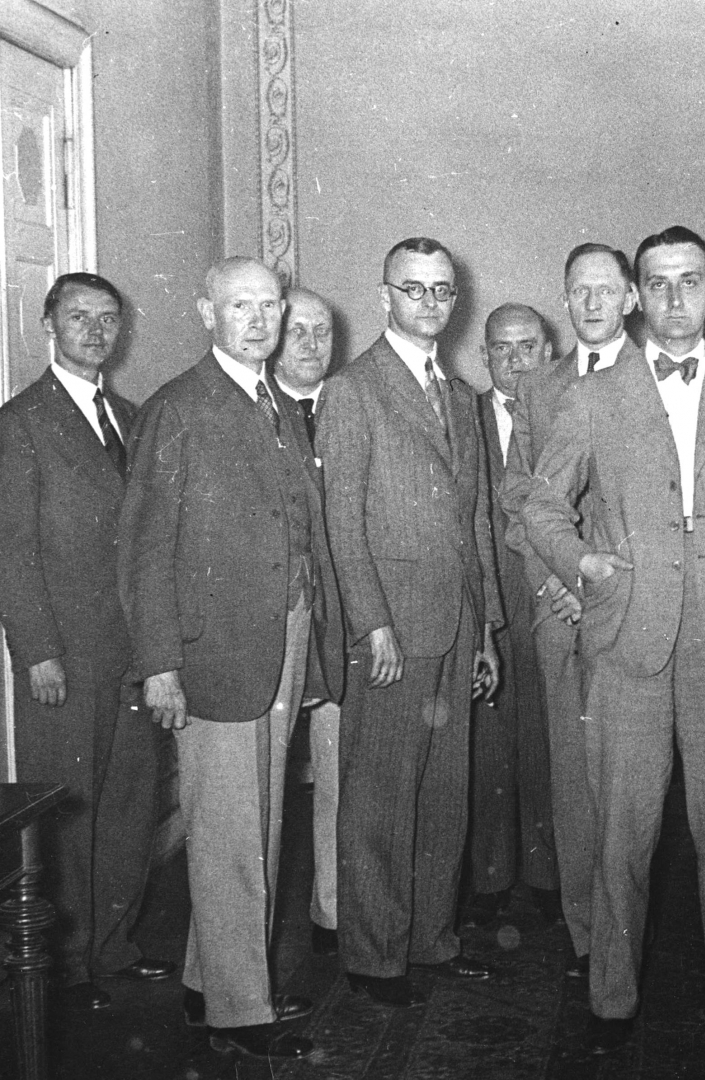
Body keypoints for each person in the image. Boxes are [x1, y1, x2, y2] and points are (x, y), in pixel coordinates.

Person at [523, 225, 705, 1054]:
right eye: (658, 282)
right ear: (638, 297)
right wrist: (583, 564)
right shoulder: (591, 398)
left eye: (690, 281)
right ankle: (611, 1001)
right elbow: (540, 505)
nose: (675, 297)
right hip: (626, 644)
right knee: (622, 834)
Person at [118, 257, 342, 1061]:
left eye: (270, 305)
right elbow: (144, 549)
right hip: (212, 654)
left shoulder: (274, 403)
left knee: (257, 824)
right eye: (239, 305)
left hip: (280, 639)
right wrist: (160, 664)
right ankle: (241, 1013)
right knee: (231, 833)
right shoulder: (178, 407)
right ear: (206, 313)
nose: (258, 320)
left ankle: (205, 983)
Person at [318, 237, 503, 1008]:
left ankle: (430, 939)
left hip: (456, 622)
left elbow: (477, 519)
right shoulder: (353, 390)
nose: (429, 302)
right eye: (414, 288)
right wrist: (373, 625)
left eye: (442, 290)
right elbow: (342, 522)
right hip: (392, 627)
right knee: (380, 795)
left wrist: (486, 628)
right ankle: (374, 956)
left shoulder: (461, 397)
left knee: (443, 794)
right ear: (384, 296)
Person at [0, 272, 173, 1012]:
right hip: (64, 656)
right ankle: (64, 968)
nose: (96, 331)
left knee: (130, 804)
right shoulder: (20, 422)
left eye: (108, 318)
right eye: (79, 317)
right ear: (49, 325)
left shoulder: (131, 417)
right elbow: (11, 551)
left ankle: (114, 948)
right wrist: (37, 649)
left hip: (133, 653)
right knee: (70, 810)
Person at [500, 243, 642, 978]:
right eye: (578, 291)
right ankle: (590, 939)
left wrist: (600, 579)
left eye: (605, 290)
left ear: (630, 299)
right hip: (558, 608)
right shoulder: (538, 388)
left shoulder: (658, 378)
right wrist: (560, 577)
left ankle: (635, 931)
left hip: (635, 607)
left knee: (633, 777)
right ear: (564, 300)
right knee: (572, 776)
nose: (591, 304)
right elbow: (518, 499)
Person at [469, 302, 558, 925]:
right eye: (502, 348)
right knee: (488, 741)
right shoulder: (460, 416)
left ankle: (549, 873)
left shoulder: (572, 411)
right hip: (486, 593)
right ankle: (490, 875)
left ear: (548, 353)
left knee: (549, 736)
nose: (516, 360)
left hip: (551, 594)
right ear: (485, 356)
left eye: (528, 347)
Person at [270, 286, 341, 958]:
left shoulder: (350, 407)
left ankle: (334, 913)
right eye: (297, 331)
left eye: (322, 331)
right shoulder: (256, 409)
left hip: (343, 628)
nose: (312, 344)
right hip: (275, 632)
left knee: (341, 776)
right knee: (263, 791)